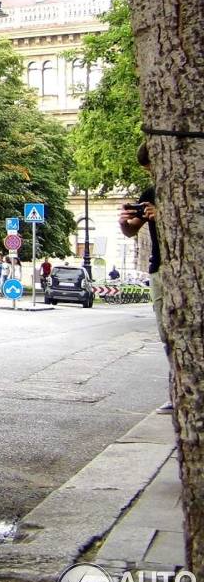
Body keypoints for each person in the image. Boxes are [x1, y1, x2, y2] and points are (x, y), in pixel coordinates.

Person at [120, 141, 168, 409]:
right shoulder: (151, 192)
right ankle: (176, 391)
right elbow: (131, 230)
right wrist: (124, 223)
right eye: (148, 170)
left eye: (153, 168)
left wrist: (163, 216)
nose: (151, 174)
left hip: (181, 267)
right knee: (166, 332)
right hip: (158, 266)